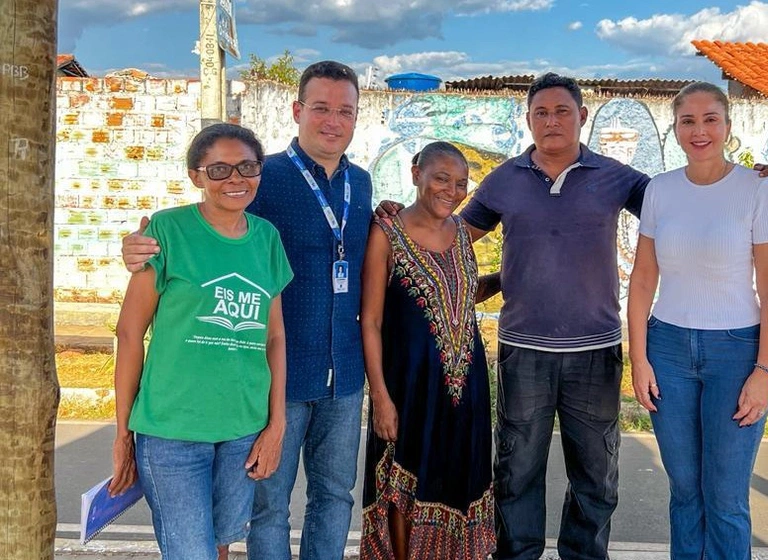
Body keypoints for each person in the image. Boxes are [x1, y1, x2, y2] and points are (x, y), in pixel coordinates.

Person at [379, 72, 768, 560]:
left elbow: (686, 202)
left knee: (595, 475)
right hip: (523, 352)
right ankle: (518, 555)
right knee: (516, 471)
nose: (551, 121)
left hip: (596, 351)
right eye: (541, 113)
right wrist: (398, 218)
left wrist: (756, 180)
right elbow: (447, 234)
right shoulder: (505, 179)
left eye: (562, 111)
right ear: (528, 120)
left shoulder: (618, 178)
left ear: (582, 116)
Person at [120, 61, 373, 560]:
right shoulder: (263, 176)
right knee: (268, 506)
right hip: (276, 378)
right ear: (297, 110)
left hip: (343, 372)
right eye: (320, 107)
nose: (333, 121)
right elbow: (207, 226)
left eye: (345, 111)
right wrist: (137, 246)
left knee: (335, 496)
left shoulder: (361, 184)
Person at [108, 123, 292, 560]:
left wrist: (276, 424)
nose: (235, 178)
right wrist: (122, 432)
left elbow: (275, 337)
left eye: (247, 167)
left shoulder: (266, 238)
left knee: (221, 545)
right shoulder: (167, 230)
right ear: (196, 176)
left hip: (242, 429)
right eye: (219, 169)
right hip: (171, 430)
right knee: (192, 552)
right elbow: (130, 333)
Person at [626, 81, 768, 560]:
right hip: (667, 350)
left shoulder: (757, 191)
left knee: (725, 498)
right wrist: (639, 359)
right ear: (675, 129)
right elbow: (642, 281)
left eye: (710, 119)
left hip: (737, 353)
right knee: (685, 493)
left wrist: (765, 370)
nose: (699, 131)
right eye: (688, 121)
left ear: (728, 126)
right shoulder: (660, 190)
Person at [360, 141, 495, 559]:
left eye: (461, 183)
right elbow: (371, 321)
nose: (452, 191)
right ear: (416, 173)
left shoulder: (462, 233)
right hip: (409, 386)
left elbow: (455, 294)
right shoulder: (386, 234)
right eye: (441, 178)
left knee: (457, 478)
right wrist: (380, 397)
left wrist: (509, 276)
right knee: (404, 485)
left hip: (466, 387)